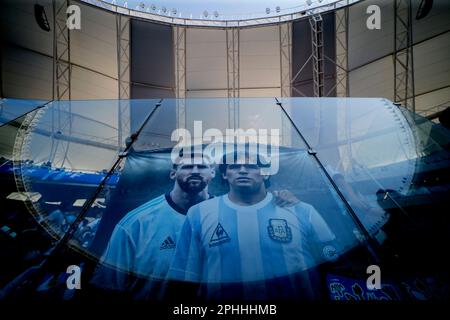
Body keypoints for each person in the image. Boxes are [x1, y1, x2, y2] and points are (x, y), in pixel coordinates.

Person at [168, 150, 336, 300]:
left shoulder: (302, 211)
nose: (242, 170)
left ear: (266, 173)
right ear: (225, 174)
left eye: (251, 166)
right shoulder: (198, 213)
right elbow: (185, 277)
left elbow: (333, 266)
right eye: (234, 166)